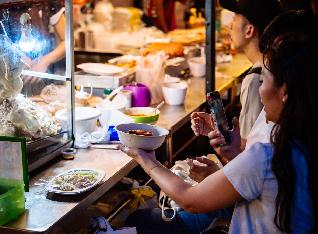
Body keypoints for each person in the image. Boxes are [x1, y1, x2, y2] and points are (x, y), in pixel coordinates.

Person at [122, 11, 317, 233]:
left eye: (264, 80)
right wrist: (233, 154)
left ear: (285, 92)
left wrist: (146, 159)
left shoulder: (267, 153)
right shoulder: (300, 137)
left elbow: (190, 200)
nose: (260, 90)